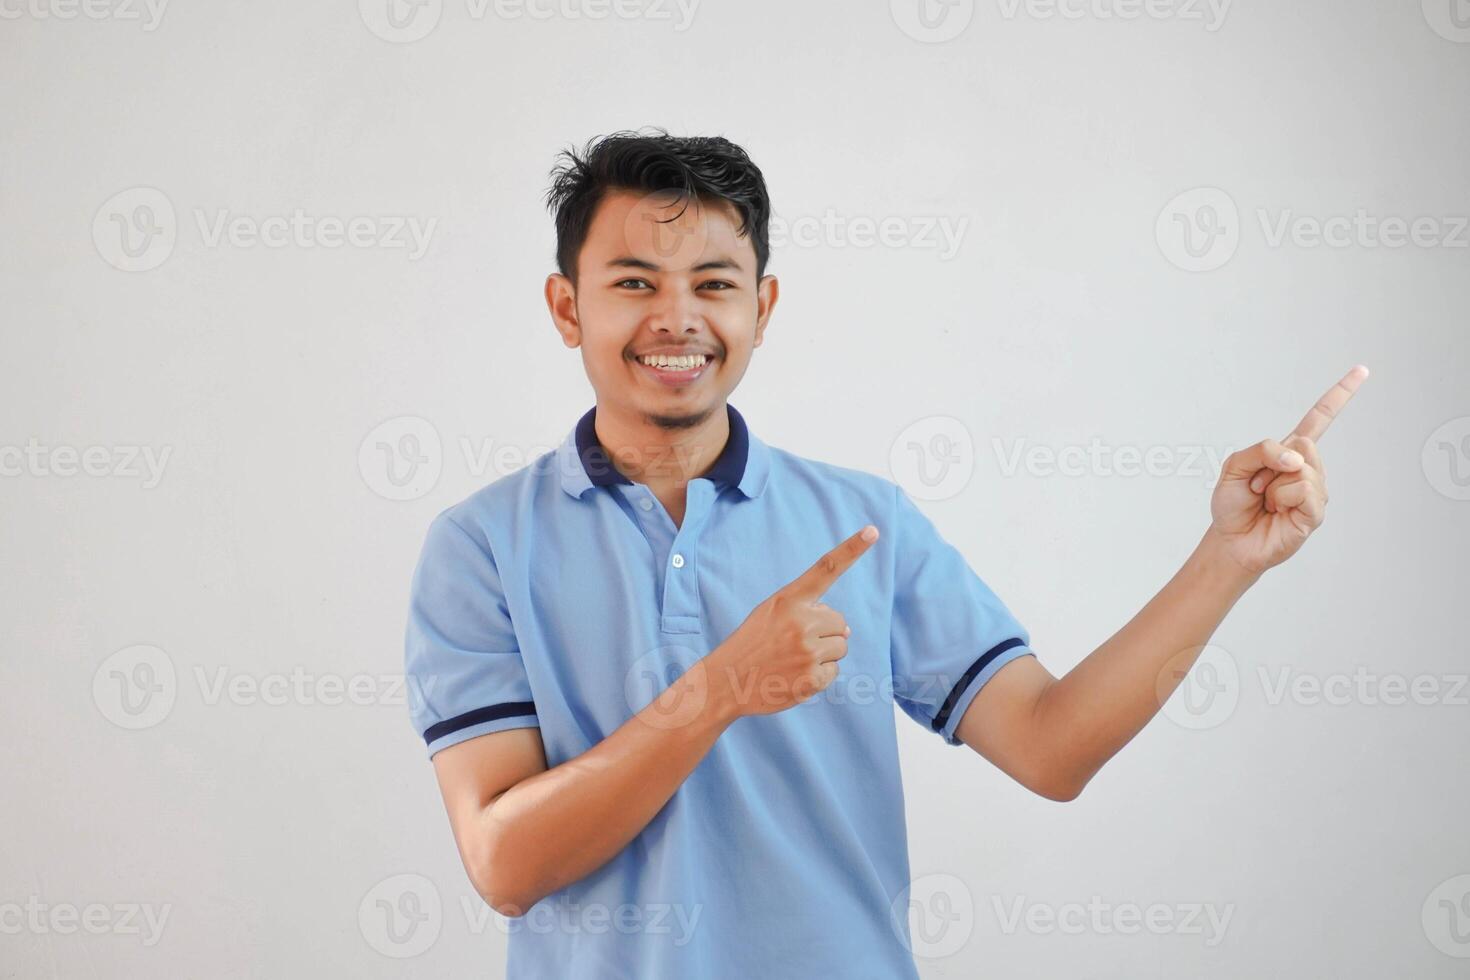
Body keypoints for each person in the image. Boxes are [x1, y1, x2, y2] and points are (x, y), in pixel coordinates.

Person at [402, 127, 1367, 978]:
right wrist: (725, 684)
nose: (677, 318)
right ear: (567, 309)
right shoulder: (483, 547)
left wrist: (1228, 558)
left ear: (763, 307)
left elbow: (1051, 747)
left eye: (714, 284)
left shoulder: (865, 522)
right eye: (633, 283)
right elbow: (504, 866)